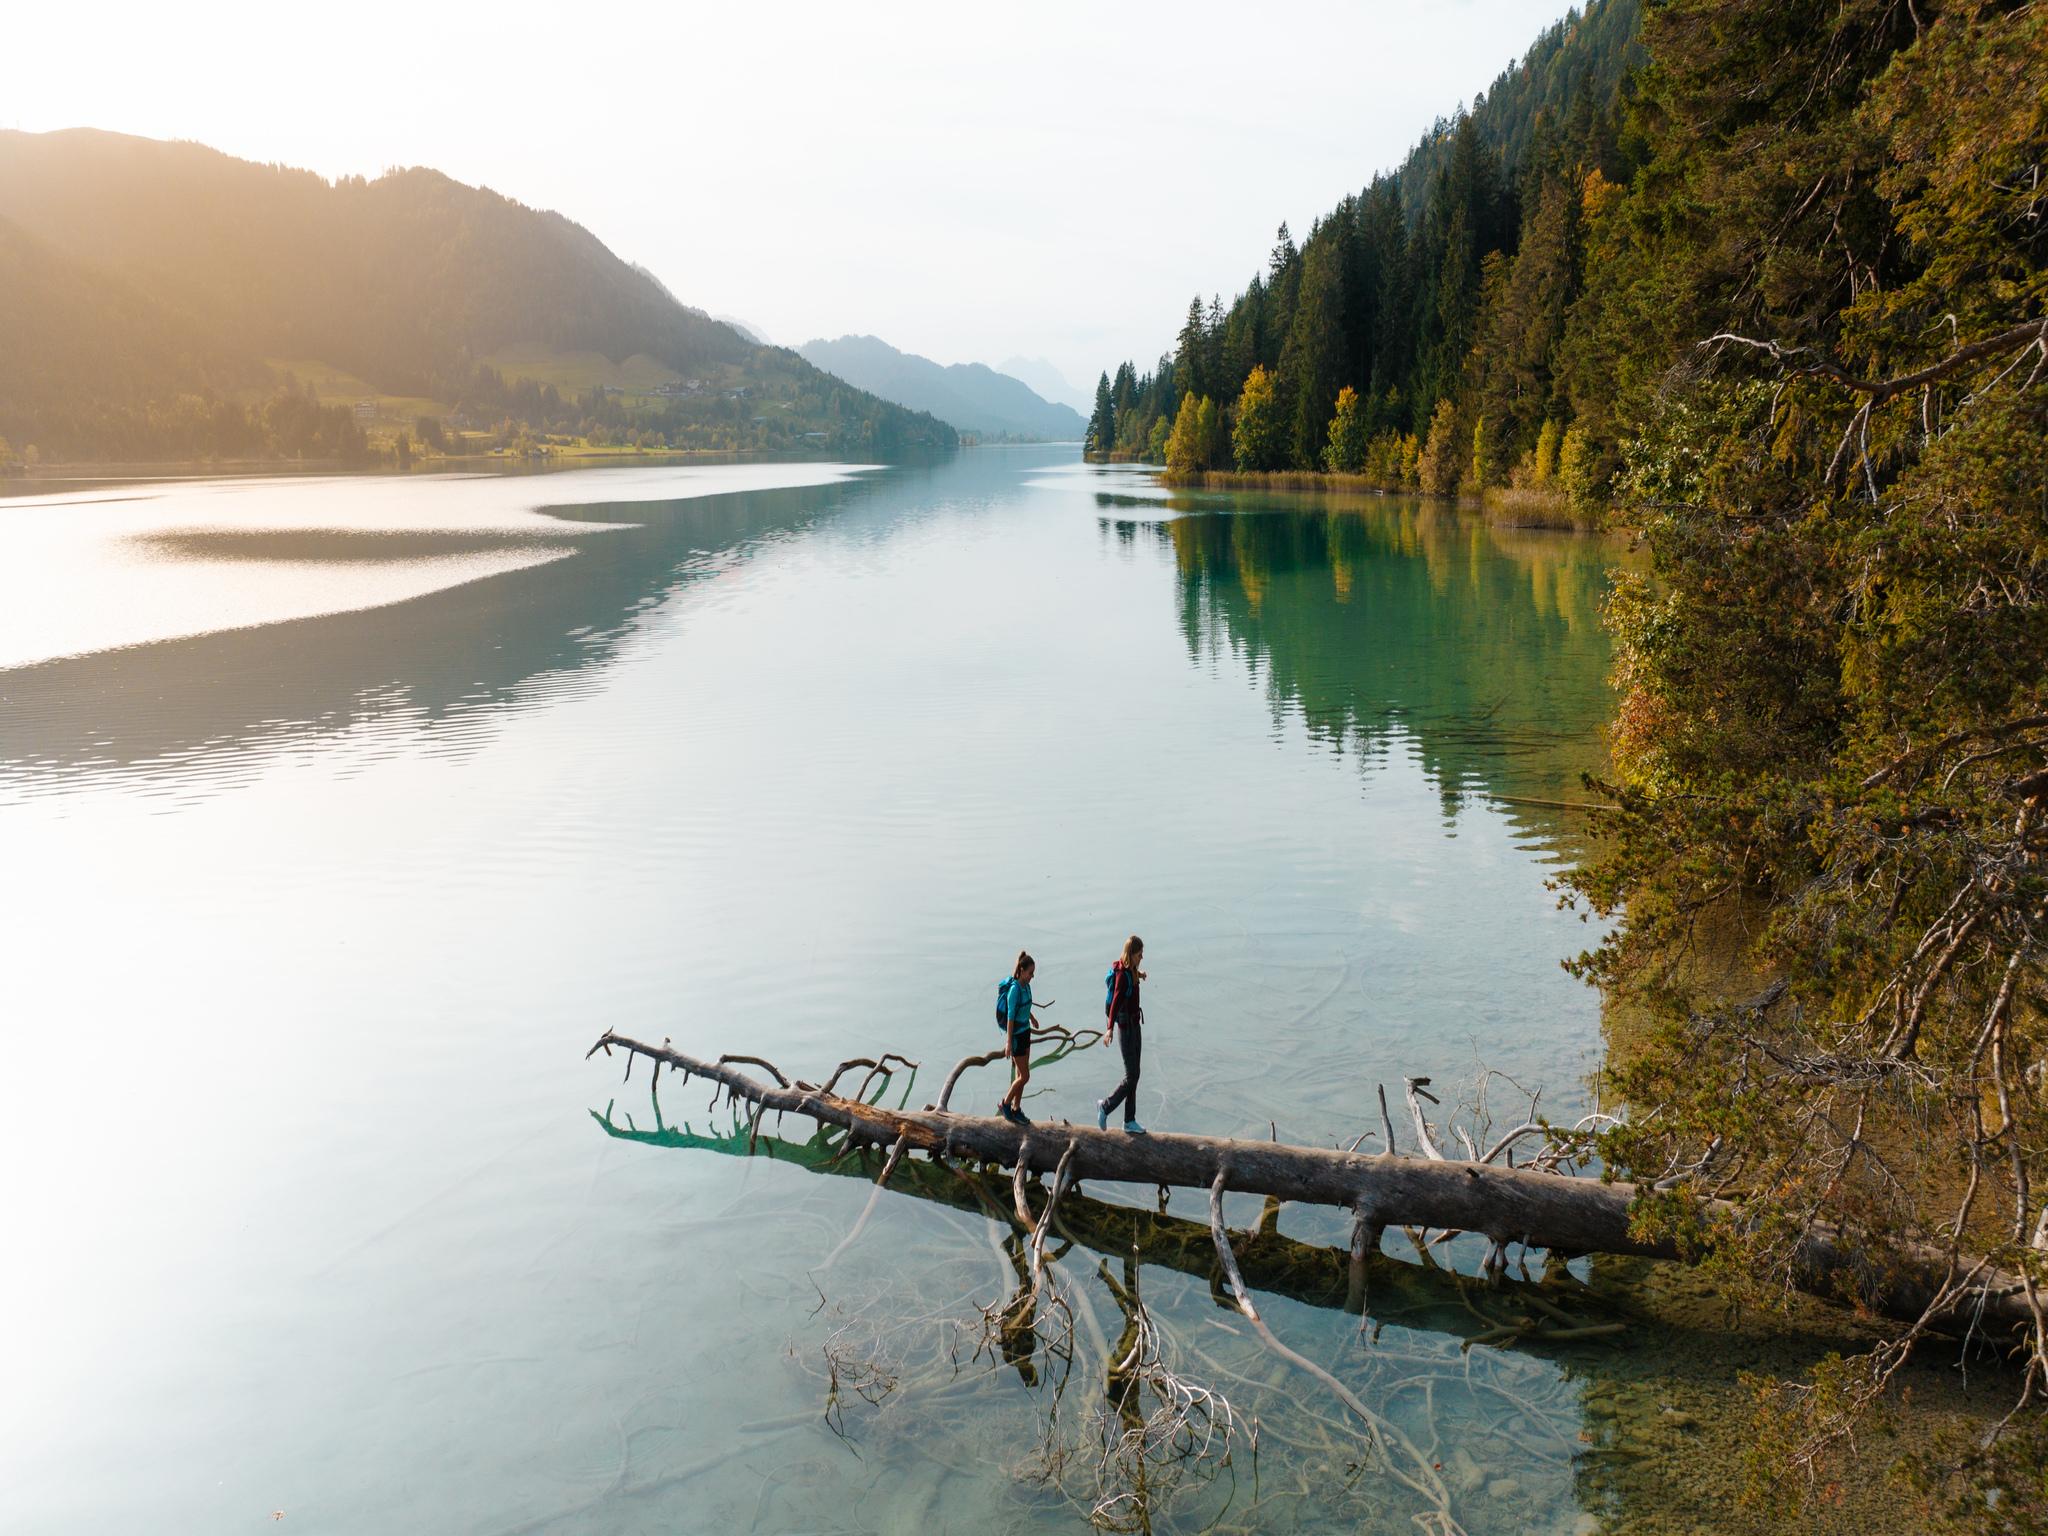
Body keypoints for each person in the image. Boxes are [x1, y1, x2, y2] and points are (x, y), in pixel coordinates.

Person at [1097, 935, 1147, 1134]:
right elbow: (1116, 1002)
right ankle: (1105, 1106)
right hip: (1125, 1029)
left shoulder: (1132, 970)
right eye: (1139, 954)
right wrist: (1109, 1029)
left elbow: (1134, 975)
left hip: (1135, 1026)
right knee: (1131, 1075)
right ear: (1131, 954)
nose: (1142, 957)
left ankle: (1129, 1120)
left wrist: (1140, 974)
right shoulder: (1122, 976)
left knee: (1135, 1074)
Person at [998, 950, 1037, 1125]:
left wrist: (1032, 1018)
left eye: (1033, 973)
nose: (1032, 976)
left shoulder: (1026, 987)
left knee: (1021, 1074)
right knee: (1025, 1076)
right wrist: (1008, 1042)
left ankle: (1016, 1108)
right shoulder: (1014, 990)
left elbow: (1026, 1005)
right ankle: (1005, 1104)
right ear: (1022, 971)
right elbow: (1011, 1017)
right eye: (1030, 973)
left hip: (1026, 1032)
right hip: (1016, 1036)